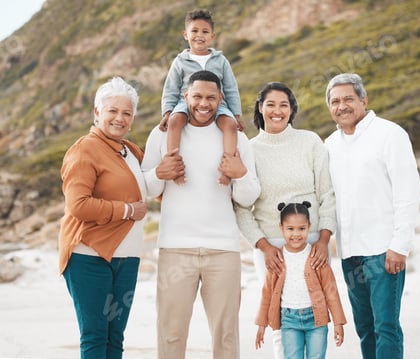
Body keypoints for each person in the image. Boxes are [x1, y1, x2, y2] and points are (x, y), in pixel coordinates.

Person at [142, 70, 260, 359]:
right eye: (197, 96)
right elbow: (145, 186)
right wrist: (160, 173)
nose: (203, 103)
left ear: (221, 98)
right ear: (185, 97)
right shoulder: (161, 134)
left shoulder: (237, 138)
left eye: (210, 97)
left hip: (223, 250)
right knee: (170, 333)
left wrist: (240, 174)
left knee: (226, 335)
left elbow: (249, 196)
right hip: (174, 248)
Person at [235, 82, 336, 359]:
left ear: (291, 109)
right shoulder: (250, 149)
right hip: (271, 249)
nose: (277, 111)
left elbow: (327, 193)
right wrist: (264, 246)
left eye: (284, 105)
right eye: (270, 104)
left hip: (312, 244)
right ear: (260, 108)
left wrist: (324, 240)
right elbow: (242, 208)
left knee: (316, 314)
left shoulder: (310, 141)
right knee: (279, 321)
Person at [324, 73, 420, 359]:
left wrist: (399, 245)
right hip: (350, 252)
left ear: (363, 100)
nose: (342, 106)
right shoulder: (329, 145)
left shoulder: (390, 134)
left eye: (348, 99)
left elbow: (408, 192)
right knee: (365, 328)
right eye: (335, 101)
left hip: (384, 250)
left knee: (386, 326)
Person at [58, 76, 148, 358]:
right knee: (96, 336)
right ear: (97, 113)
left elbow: (153, 182)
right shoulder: (85, 149)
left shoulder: (131, 151)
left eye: (126, 113)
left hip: (127, 259)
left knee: (115, 338)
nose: (119, 118)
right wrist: (126, 210)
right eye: (112, 111)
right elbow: (78, 205)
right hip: (88, 256)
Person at [159, 9, 245, 185]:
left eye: (205, 32)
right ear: (185, 35)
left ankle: (227, 170)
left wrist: (236, 114)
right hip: (186, 103)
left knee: (229, 126)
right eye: (194, 31)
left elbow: (230, 88)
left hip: (217, 104)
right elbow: (170, 89)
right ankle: (175, 168)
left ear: (212, 36)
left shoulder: (220, 61)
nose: (200, 35)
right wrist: (167, 112)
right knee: (175, 122)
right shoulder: (180, 61)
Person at [255, 201, 347, 359]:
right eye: (290, 229)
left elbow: (331, 290)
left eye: (301, 228)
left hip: (316, 320)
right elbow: (267, 294)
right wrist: (262, 324)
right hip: (289, 321)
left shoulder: (317, 256)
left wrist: (338, 322)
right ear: (281, 228)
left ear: (309, 227)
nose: (296, 234)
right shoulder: (277, 258)